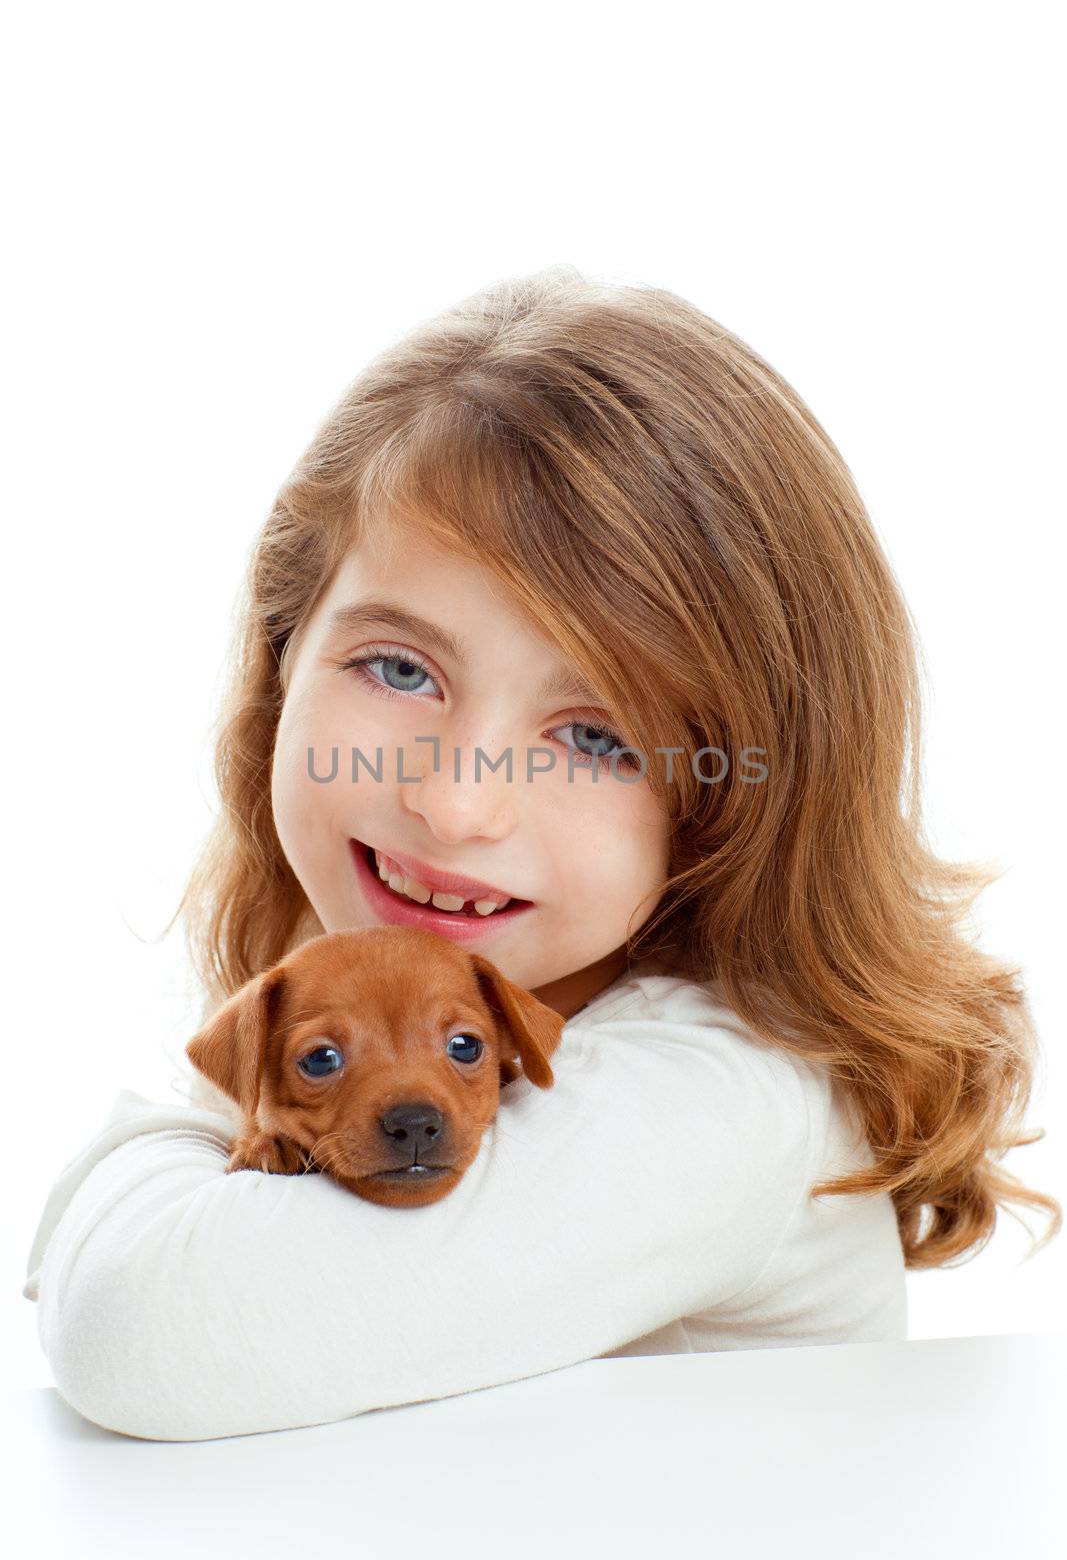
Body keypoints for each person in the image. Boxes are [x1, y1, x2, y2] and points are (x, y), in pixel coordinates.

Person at [22, 266, 1060, 1442]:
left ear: (735, 797)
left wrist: (163, 1139)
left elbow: (144, 1330)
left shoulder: (720, 1098)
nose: (457, 804)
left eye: (596, 735)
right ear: (279, 663)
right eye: (399, 669)